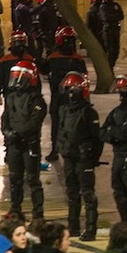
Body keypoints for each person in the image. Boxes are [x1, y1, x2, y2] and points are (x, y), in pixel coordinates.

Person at [56, 72, 101, 241]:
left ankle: (90, 229)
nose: (69, 93)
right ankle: (73, 226)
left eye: (71, 89)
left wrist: (92, 157)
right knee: (72, 194)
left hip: (83, 159)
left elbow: (97, 139)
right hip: (69, 156)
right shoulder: (64, 110)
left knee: (87, 194)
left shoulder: (89, 113)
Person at [1, 60, 47, 219]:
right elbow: (5, 117)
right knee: (15, 178)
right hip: (14, 144)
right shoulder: (11, 97)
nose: (16, 80)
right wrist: (7, 132)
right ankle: (15, 209)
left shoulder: (37, 100)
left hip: (29, 144)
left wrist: (17, 132)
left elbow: (34, 123)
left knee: (33, 179)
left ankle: (38, 212)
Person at [101, 73, 127, 227]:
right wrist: (115, 133)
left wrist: (114, 132)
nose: (121, 92)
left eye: (124, 88)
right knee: (119, 194)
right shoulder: (117, 111)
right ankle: (126, 225)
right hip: (118, 156)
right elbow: (103, 132)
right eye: (120, 89)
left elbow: (126, 133)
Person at [41, 26, 88, 163]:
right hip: (60, 96)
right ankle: (56, 149)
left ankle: (64, 149)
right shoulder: (57, 58)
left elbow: (83, 78)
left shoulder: (71, 58)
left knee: (72, 123)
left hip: (68, 97)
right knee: (57, 123)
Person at [99, 0, 123, 68]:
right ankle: (109, 68)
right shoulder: (103, 7)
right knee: (110, 50)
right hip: (108, 31)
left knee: (116, 50)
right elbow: (105, 18)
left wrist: (112, 16)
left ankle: (111, 66)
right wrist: (114, 16)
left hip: (116, 30)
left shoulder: (116, 5)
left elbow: (121, 16)